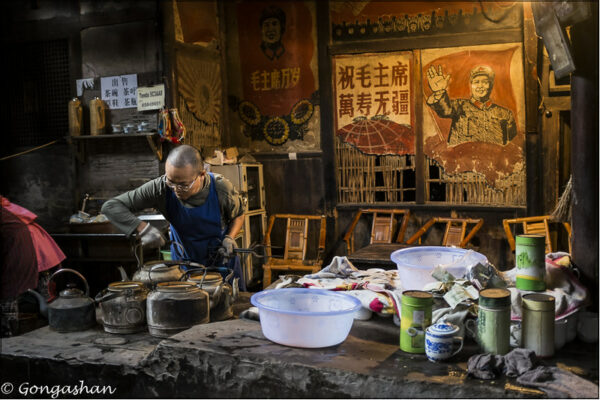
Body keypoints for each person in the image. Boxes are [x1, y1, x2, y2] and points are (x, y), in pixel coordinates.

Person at [101, 145, 245, 286]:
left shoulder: (221, 188)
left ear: (202, 175)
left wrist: (229, 237)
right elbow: (111, 207)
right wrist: (142, 229)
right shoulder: (161, 188)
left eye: (183, 185)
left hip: (222, 265)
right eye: (171, 182)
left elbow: (238, 214)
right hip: (183, 268)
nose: (176, 190)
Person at [426, 64, 517, 146]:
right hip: (462, 162)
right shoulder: (459, 106)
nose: (480, 86)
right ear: (471, 85)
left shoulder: (505, 114)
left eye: (485, 82)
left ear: (491, 85)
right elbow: (445, 111)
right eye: (476, 82)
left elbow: (512, 145)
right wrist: (439, 92)